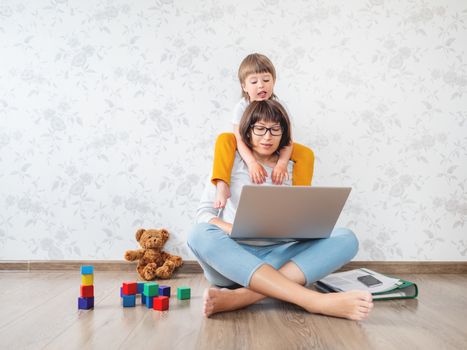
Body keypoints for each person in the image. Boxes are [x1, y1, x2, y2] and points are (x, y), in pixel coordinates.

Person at [187, 100, 373, 320]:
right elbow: (204, 214)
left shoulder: (292, 168)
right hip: (233, 259)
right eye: (260, 129)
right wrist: (232, 229)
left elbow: (302, 217)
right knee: (198, 234)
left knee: (347, 238)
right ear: (247, 131)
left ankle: (242, 297)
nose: (267, 137)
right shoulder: (230, 162)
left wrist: (306, 228)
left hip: (279, 256)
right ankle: (314, 301)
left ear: (284, 134)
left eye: (275, 130)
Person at [212, 53, 314, 209]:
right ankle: (221, 184)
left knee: (305, 153)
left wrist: (281, 163)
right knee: (225, 139)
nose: (261, 85)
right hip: (249, 143)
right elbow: (239, 139)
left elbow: (288, 140)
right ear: (244, 86)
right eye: (254, 81)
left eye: (266, 80)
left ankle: (300, 198)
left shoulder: (279, 105)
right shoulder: (242, 106)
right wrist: (252, 163)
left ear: (274, 81)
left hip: (276, 144)